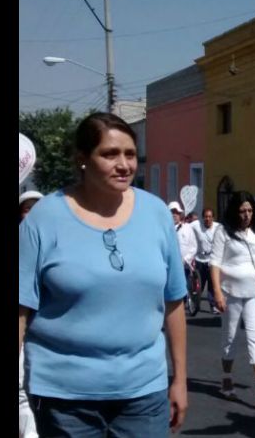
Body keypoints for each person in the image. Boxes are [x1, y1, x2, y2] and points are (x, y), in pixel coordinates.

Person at [18, 112, 188, 436]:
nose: (123, 164)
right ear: (82, 159)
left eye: (130, 154)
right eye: (110, 154)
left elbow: (174, 302)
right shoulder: (43, 218)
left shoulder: (157, 214)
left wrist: (179, 379)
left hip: (145, 393)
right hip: (64, 397)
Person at [211, 191, 255, 408]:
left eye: (249, 210)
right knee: (230, 338)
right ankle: (226, 378)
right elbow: (215, 264)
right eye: (242, 211)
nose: (246, 215)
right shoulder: (223, 232)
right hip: (230, 292)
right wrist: (217, 293)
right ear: (234, 212)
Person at [18, 191, 43, 438]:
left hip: (42, 329)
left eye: (37, 208)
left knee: (29, 389)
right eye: (27, 209)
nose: (31, 214)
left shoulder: (53, 241)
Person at [192, 207, 221, 311]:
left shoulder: (218, 227)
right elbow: (185, 227)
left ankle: (213, 305)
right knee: (199, 285)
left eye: (209, 217)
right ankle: (195, 302)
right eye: (205, 217)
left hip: (212, 260)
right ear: (202, 218)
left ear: (213, 218)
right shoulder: (196, 225)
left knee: (212, 283)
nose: (207, 219)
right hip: (200, 259)